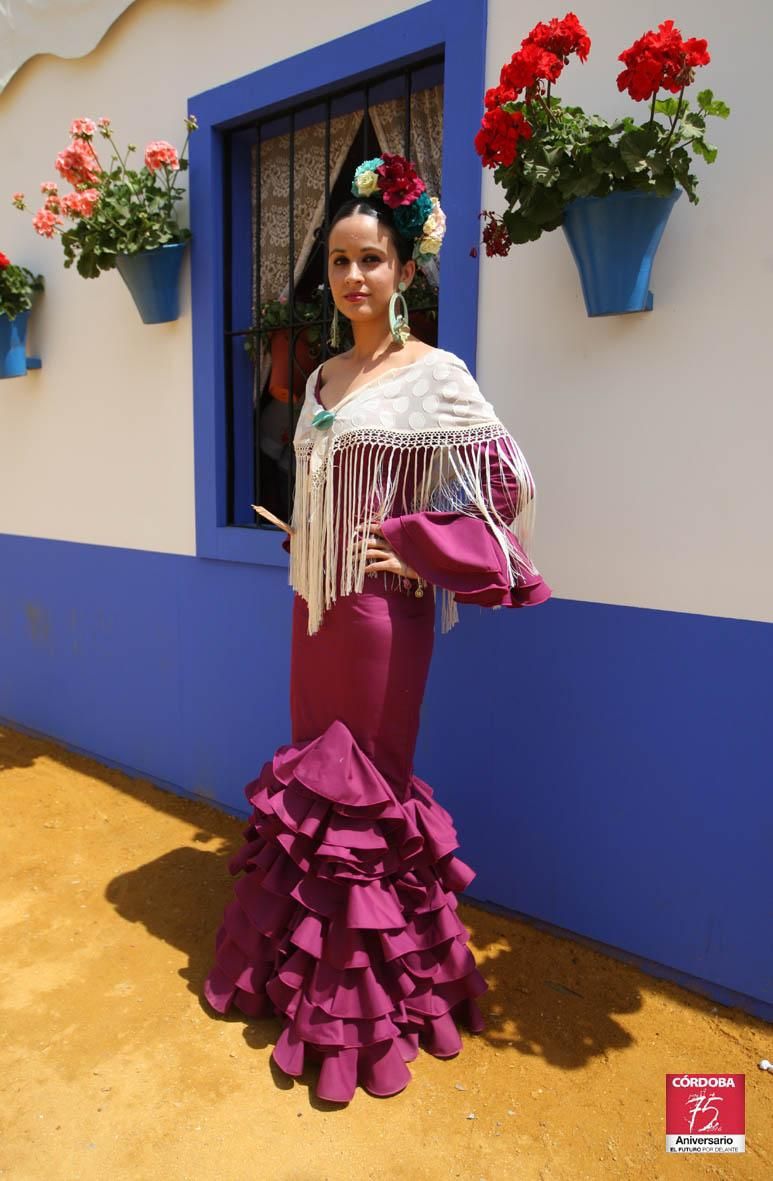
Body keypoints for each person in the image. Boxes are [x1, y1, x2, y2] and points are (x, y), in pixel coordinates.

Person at [203, 153, 552, 1103]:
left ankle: (362, 1011)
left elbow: (507, 485)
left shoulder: (435, 375)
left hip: (381, 624)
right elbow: (313, 483)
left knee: (362, 794)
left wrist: (420, 548)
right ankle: (302, 979)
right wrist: (307, 539)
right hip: (312, 615)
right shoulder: (321, 374)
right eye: (339, 262)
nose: (353, 277)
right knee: (312, 773)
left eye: (371, 260)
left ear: (404, 271)